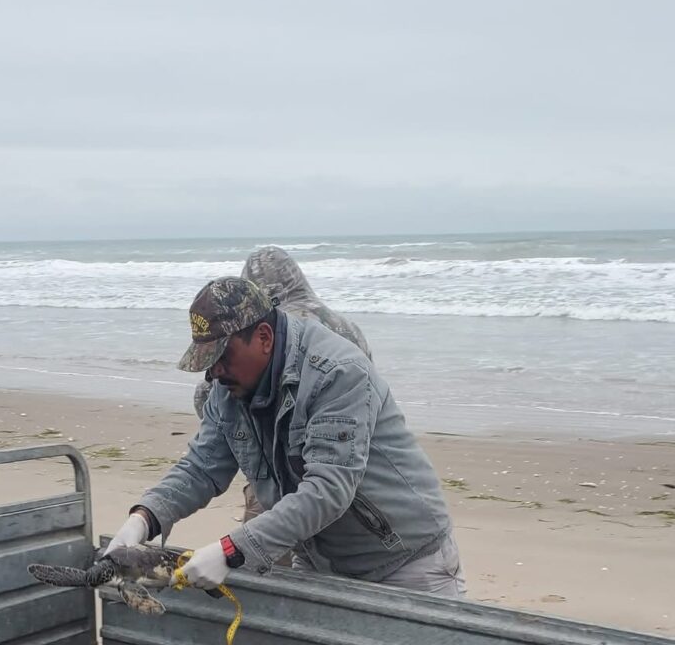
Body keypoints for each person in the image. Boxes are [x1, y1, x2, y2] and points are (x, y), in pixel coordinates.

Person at [106, 276, 463, 598]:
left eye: (222, 356)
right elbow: (201, 468)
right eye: (207, 360)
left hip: (406, 563)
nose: (214, 372)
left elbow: (328, 490)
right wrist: (145, 517)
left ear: (263, 337)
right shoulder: (227, 389)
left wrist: (232, 550)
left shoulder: (337, 373)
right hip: (319, 562)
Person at [192, 248, 372, 532]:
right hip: (351, 480)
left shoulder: (273, 328)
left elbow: (208, 396)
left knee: (262, 568)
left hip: (279, 480)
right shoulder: (346, 327)